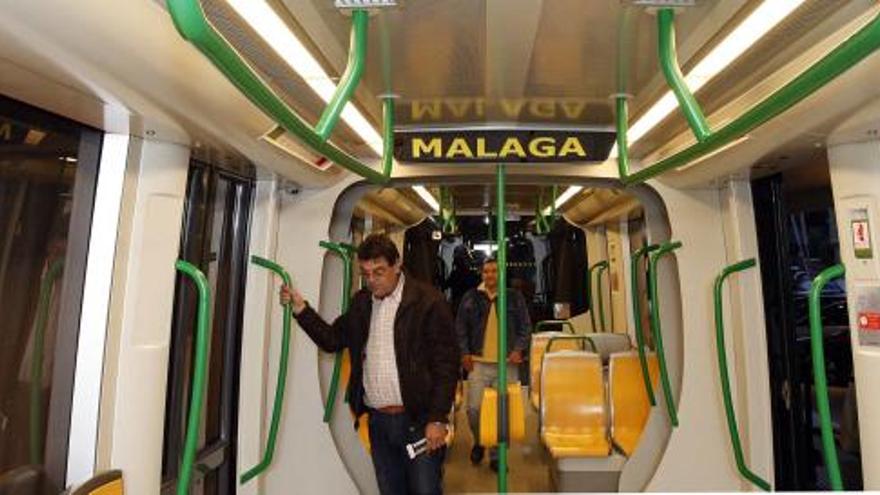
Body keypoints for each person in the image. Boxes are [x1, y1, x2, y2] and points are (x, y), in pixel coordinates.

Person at [280, 233, 459, 495]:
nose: (372, 281)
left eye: (379, 272)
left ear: (397, 265)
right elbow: (332, 339)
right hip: (379, 424)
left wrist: (438, 417)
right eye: (366, 274)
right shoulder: (362, 303)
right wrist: (301, 309)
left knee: (425, 490)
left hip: (419, 422)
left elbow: (446, 364)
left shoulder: (428, 302)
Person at [455, 258, 530, 471]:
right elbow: (460, 327)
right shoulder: (470, 298)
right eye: (486, 271)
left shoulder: (514, 298)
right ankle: (480, 440)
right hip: (478, 363)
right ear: (482, 274)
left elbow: (525, 326)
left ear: (501, 274)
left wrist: (518, 349)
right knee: (473, 409)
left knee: (502, 412)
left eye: (494, 271)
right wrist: (464, 353)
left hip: (506, 363)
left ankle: (497, 455)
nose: (490, 275)